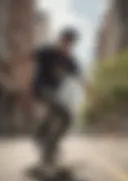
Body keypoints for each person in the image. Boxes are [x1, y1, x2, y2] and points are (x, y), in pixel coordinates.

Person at [30, 27, 82, 166]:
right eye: (65, 41)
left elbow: (80, 77)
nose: (67, 45)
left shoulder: (69, 60)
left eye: (70, 43)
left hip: (53, 94)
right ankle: (48, 150)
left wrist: (94, 93)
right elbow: (28, 58)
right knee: (63, 114)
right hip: (41, 89)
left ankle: (43, 137)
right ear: (60, 40)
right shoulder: (47, 51)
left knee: (57, 116)